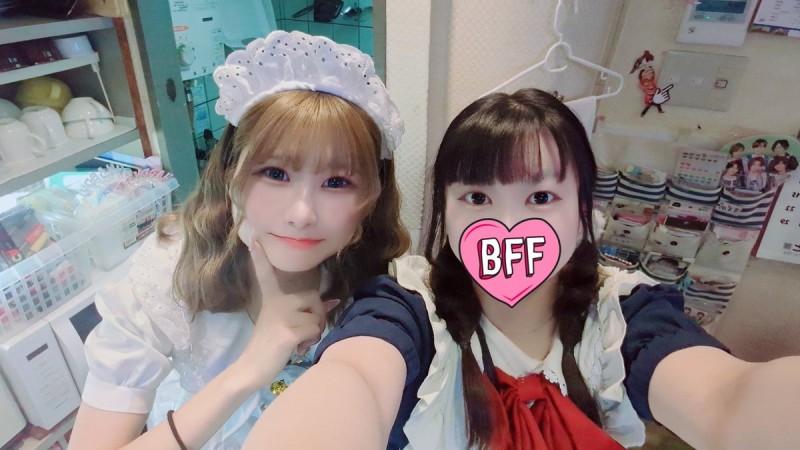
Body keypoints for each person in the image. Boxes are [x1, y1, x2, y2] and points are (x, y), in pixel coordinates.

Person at [243, 89, 800, 450]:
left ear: (583, 211)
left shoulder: (623, 315)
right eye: (477, 198)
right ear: (445, 212)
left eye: (540, 197)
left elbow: (726, 395)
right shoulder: (407, 308)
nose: (508, 224)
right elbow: (355, 377)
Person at [68, 30, 409, 450]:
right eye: (276, 174)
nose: (301, 214)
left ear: (372, 196)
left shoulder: (378, 282)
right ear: (231, 174)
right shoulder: (169, 270)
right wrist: (249, 370)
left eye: (337, 182)